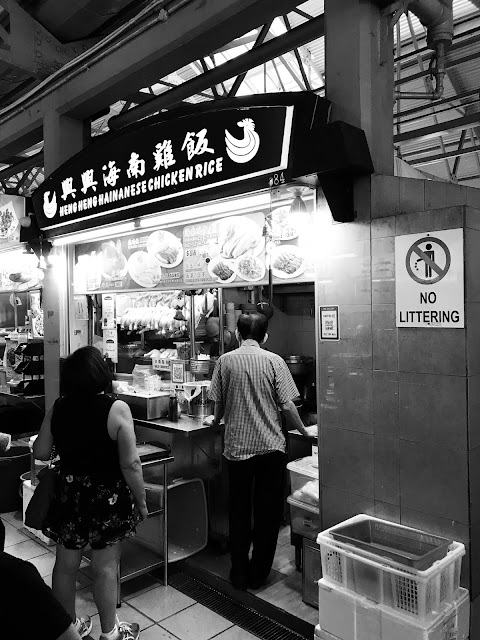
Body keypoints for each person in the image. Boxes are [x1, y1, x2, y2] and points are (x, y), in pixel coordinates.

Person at [34, 346, 148, 640]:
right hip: (107, 498)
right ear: (102, 374)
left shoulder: (59, 407)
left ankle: (69, 629)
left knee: (65, 566)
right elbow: (131, 463)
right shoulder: (116, 408)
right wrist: (141, 500)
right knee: (106, 566)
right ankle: (110, 633)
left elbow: (41, 451)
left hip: (70, 495)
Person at [208, 313, 312, 590]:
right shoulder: (275, 361)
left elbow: (218, 402)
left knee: (239, 511)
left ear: (239, 335)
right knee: (267, 514)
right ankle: (259, 573)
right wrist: (303, 431)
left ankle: (239, 573)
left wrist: (216, 421)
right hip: (270, 448)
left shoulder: (225, 361)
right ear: (265, 337)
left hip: (238, 450)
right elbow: (288, 405)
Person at [0, 530, 83, 640]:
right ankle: (109, 632)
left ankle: (71, 622)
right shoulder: (17, 576)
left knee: (65, 567)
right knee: (105, 564)